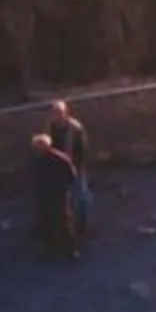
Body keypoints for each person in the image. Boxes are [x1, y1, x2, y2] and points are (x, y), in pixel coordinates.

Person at [29, 132, 80, 261]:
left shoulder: (60, 159)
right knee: (47, 224)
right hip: (43, 196)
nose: (38, 149)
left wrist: (62, 188)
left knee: (63, 224)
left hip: (58, 196)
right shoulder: (35, 160)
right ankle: (51, 252)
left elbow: (71, 175)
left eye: (40, 146)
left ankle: (70, 251)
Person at [47, 100, 91, 236]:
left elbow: (82, 149)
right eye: (54, 113)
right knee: (65, 194)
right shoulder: (51, 127)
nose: (57, 115)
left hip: (75, 164)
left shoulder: (75, 128)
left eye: (60, 112)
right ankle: (69, 222)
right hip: (59, 167)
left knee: (80, 193)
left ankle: (83, 222)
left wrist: (76, 165)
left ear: (65, 112)